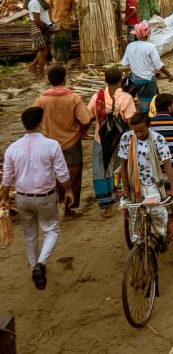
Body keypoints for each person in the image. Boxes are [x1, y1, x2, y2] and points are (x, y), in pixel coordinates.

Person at [1, 106, 74, 289]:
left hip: (22, 197)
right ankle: (41, 264)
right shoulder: (51, 145)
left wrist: (3, 197)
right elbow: (62, 172)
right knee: (52, 229)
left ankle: (35, 265)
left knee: (30, 234)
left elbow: (7, 177)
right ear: (41, 123)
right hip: (45, 196)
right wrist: (69, 190)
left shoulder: (13, 148)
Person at [32, 65, 91, 216]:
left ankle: (59, 204)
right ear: (64, 80)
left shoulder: (42, 99)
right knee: (74, 175)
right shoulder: (73, 97)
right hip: (71, 142)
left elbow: (33, 120)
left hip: (49, 143)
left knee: (54, 174)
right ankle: (70, 208)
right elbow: (85, 119)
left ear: (49, 80)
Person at [117, 111, 173, 244]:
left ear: (148, 126)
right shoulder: (126, 138)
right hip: (132, 182)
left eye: (142, 130)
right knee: (134, 213)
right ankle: (138, 241)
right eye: (135, 131)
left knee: (156, 210)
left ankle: (162, 233)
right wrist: (125, 187)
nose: (138, 134)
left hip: (151, 182)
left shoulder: (158, 139)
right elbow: (123, 164)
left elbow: (167, 164)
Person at [89, 66, 134, 215]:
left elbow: (88, 114)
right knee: (121, 167)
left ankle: (106, 206)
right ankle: (123, 194)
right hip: (120, 141)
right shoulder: (126, 98)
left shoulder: (97, 96)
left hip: (100, 139)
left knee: (101, 171)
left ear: (105, 80)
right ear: (121, 79)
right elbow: (130, 121)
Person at [120, 22, 173, 113]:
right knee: (149, 104)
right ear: (148, 34)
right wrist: (169, 75)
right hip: (147, 80)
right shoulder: (150, 47)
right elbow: (158, 65)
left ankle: (140, 117)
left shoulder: (130, 46)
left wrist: (136, 66)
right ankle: (148, 121)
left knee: (140, 101)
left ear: (136, 35)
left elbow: (125, 63)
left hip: (135, 80)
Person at [25, 0, 53, 79]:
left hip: (44, 26)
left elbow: (43, 14)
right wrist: (44, 29)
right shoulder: (34, 2)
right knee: (42, 52)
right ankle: (41, 75)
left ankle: (32, 67)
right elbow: (37, 20)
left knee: (46, 50)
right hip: (39, 27)